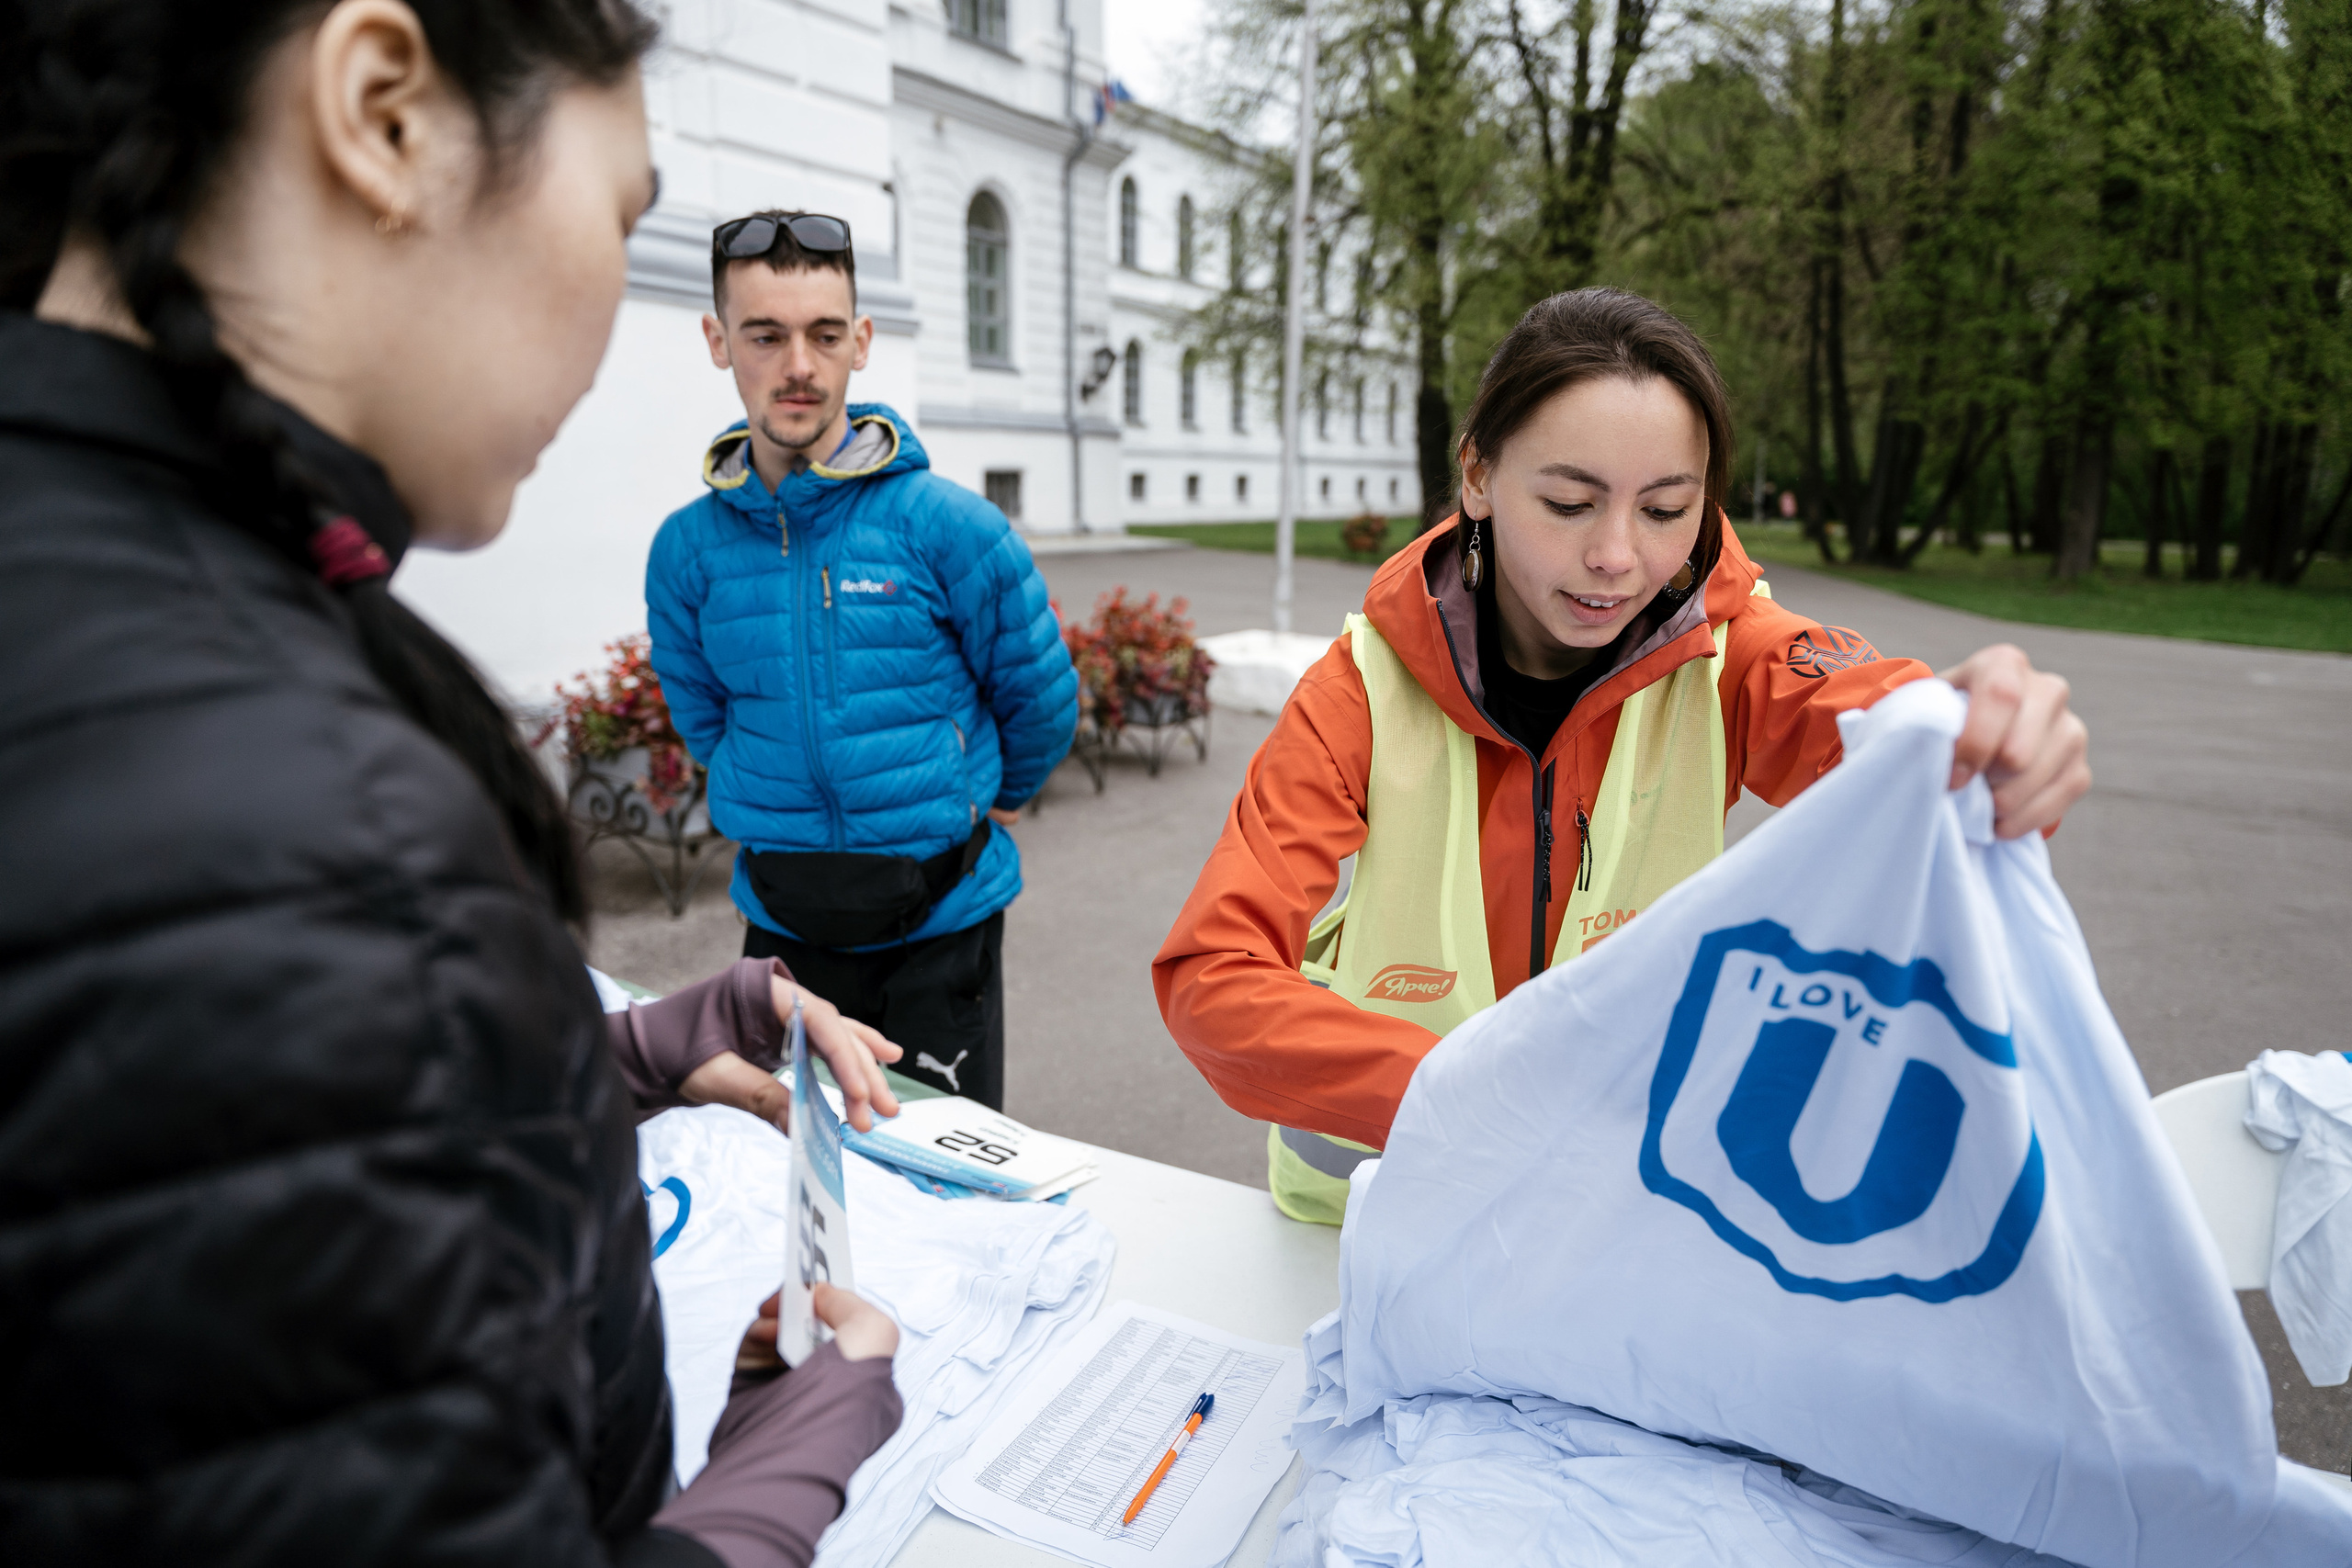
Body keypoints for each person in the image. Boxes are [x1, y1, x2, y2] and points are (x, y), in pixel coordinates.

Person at [0, 3, 911, 1563]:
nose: (611, 304)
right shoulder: (323, 837)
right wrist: (777, 1463)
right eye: (618, 208)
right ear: (384, 110)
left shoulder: (110, 595)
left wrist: (615, 1051)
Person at [1154, 288, 2093, 1225]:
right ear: (1476, 476)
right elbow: (1213, 977)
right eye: (1569, 502)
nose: (1615, 555)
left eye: (1664, 509)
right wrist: (1474, 1097)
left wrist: (1983, 742)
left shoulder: (1732, 658)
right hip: (1374, 1212)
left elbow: (1896, 742)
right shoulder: (1361, 685)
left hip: (1614, 1221)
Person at [646, 212, 1078, 1112]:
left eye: (824, 334)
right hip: (782, 936)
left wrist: (979, 800)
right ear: (719, 341)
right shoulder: (685, 551)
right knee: (801, 1166)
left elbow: (1037, 698)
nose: (797, 363)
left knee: (942, 1178)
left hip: (940, 926)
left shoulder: (948, 527)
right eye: (765, 334)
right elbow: (701, 717)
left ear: (862, 342)